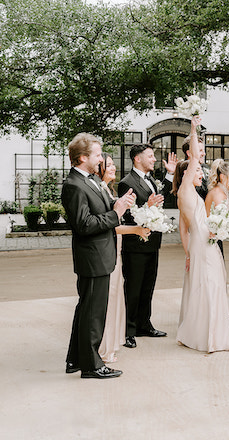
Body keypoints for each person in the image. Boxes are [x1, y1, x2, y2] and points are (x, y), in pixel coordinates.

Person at [61, 133, 135, 379]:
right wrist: (116, 214)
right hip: (92, 258)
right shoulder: (74, 185)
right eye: (96, 154)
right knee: (93, 314)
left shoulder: (91, 180)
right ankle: (92, 366)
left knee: (86, 310)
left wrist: (120, 203)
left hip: (101, 255)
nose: (100, 158)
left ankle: (75, 359)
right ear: (83, 158)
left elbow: (105, 208)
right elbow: (83, 224)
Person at [174, 116, 229, 353]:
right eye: (197, 170)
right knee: (209, 285)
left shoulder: (190, 194)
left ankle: (205, 334)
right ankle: (207, 337)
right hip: (203, 243)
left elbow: (184, 229)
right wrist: (193, 129)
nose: (201, 172)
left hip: (203, 242)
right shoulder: (186, 189)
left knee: (210, 284)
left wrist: (188, 253)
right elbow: (195, 156)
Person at [96, 154, 150, 363]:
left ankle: (111, 342)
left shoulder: (107, 190)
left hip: (114, 250)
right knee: (109, 298)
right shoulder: (100, 191)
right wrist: (136, 229)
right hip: (109, 251)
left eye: (112, 164)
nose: (113, 167)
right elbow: (112, 225)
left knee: (116, 295)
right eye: (108, 165)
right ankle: (103, 346)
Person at [118, 144, 168, 349]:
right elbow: (126, 214)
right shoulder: (126, 183)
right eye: (150, 156)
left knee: (148, 286)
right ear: (137, 159)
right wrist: (147, 206)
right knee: (133, 288)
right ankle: (128, 330)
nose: (154, 159)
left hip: (152, 242)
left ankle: (144, 324)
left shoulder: (151, 181)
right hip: (135, 245)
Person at [205, 157, 229, 256]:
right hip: (211, 239)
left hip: (215, 238)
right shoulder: (218, 195)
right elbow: (215, 224)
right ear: (223, 177)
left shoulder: (221, 191)